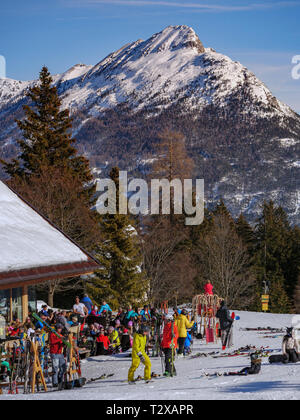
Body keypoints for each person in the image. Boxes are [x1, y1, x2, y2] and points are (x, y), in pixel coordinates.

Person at [49, 324, 67, 390]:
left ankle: (60, 379)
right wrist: (60, 339)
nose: (60, 330)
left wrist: (64, 343)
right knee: (55, 368)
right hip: (54, 353)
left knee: (63, 367)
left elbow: (62, 343)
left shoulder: (61, 335)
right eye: (59, 328)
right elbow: (52, 342)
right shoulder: (52, 334)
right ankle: (55, 382)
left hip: (60, 353)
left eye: (61, 328)